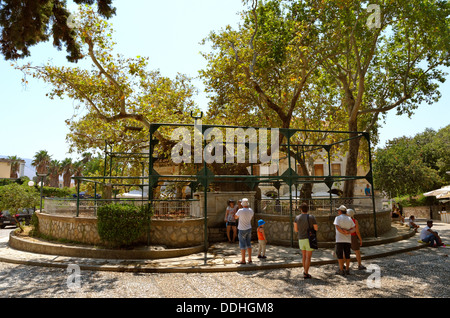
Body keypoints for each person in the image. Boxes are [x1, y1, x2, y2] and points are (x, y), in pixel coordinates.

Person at [294, 203, 318, 279]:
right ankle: (306, 273)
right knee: (308, 257)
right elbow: (316, 228)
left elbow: (296, 229)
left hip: (301, 238)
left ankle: (305, 271)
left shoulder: (297, 218)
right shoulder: (311, 217)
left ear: (301, 209)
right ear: (308, 209)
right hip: (309, 239)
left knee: (304, 256)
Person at [333, 205, 355, 276]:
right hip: (347, 239)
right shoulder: (349, 218)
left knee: (340, 255)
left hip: (339, 239)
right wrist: (348, 232)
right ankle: (347, 269)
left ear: (340, 211)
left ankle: (341, 269)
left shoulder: (337, 218)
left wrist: (343, 232)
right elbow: (354, 228)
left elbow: (337, 227)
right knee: (347, 254)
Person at [235, 198, 254, 264]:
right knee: (249, 243)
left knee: (242, 244)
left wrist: (239, 209)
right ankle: (250, 258)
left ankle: (243, 260)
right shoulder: (251, 210)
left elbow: (235, 217)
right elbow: (250, 218)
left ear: (242, 204)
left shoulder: (240, 210)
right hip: (249, 228)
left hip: (242, 229)